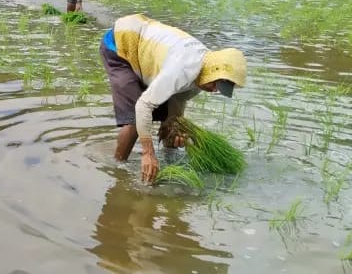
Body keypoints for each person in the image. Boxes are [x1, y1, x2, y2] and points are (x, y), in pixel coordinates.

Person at [99, 13, 246, 183]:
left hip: (148, 52)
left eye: (220, 89)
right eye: (216, 85)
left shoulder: (202, 78)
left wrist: (173, 126)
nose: (214, 90)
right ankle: (118, 170)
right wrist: (148, 154)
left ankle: (165, 164)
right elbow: (143, 106)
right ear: (213, 72)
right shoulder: (183, 69)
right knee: (133, 119)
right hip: (120, 45)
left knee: (171, 122)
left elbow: (178, 100)